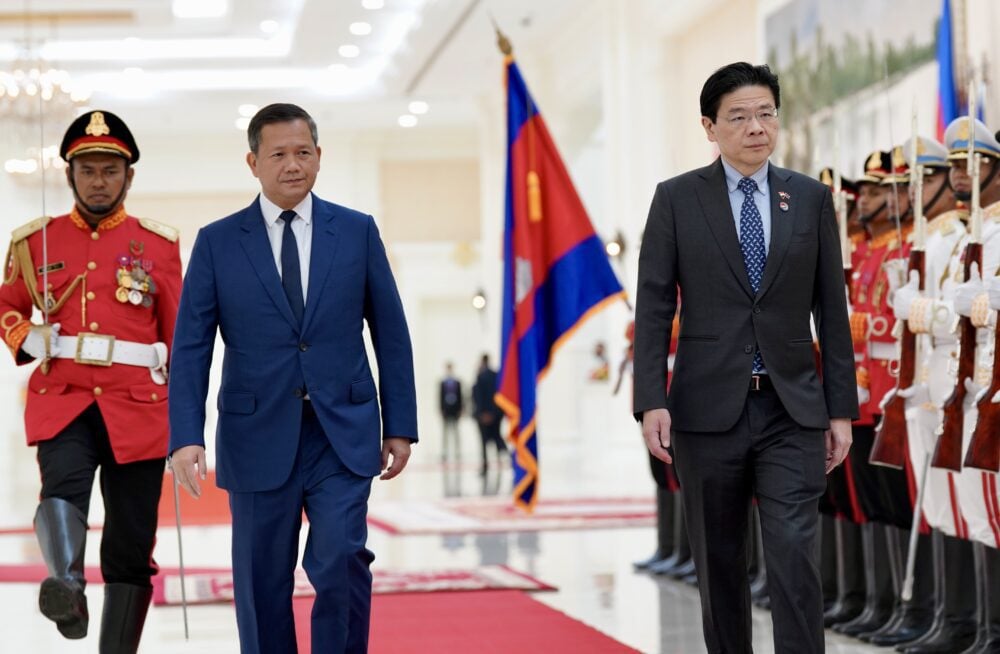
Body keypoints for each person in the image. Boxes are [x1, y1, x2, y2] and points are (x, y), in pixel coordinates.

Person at [167, 103, 417, 654]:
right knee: (261, 580)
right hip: (255, 435)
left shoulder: (356, 232)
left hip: (342, 433)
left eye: (303, 152)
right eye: (278, 154)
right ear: (253, 162)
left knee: (343, 558)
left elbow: (391, 334)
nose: (292, 165)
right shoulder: (217, 242)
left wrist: (400, 425)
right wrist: (186, 435)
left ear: (319, 157)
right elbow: (191, 347)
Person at [633, 62, 856, 654]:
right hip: (706, 413)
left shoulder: (809, 199)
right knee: (721, 565)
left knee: (792, 558)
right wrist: (650, 399)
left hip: (792, 409)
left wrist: (841, 411)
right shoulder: (676, 200)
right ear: (710, 127)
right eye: (739, 117)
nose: (756, 127)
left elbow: (831, 310)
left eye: (766, 114)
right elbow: (654, 306)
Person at [0, 110, 181, 653]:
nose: (98, 180)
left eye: (109, 170)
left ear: (128, 176)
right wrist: (23, 335)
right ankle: (69, 585)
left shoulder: (160, 245)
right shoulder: (36, 242)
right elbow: (6, 306)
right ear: (70, 176)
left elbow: (180, 337)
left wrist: (189, 418)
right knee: (63, 490)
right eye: (87, 171)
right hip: (65, 399)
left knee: (130, 543)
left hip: (140, 407)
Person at [472, 353, 507, 476]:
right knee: (497, 437)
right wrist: (494, 413)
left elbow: (480, 397)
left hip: (483, 415)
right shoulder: (496, 375)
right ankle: (502, 461)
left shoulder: (480, 376)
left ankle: (486, 466)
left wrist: (483, 413)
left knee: (484, 442)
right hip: (496, 414)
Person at [439, 361, 463, 462]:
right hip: (446, 410)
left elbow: (461, 397)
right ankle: (445, 451)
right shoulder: (443, 383)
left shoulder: (457, 382)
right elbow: (440, 397)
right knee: (445, 432)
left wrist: (461, 409)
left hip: (455, 410)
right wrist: (441, 409)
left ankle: (457, 451)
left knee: (456, 431)